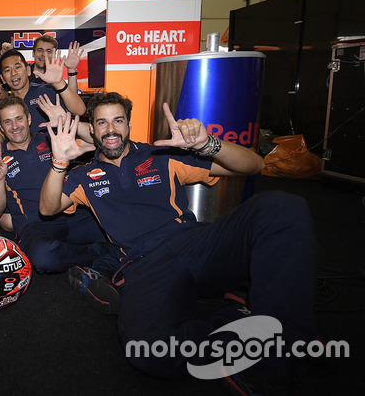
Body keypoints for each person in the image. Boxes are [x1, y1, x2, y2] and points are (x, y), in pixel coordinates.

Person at [39, 92, 317, 391]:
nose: (110, 129)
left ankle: (280, 356)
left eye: (118, 120)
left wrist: (207, 144)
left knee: (281, 208)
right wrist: (58, 163)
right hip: (144, 264)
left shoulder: (161, 155)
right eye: (102, 122)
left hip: (194, 244)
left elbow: (254, 165)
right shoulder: (82, 176)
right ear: (91, 129)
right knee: (147, 352)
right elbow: (47, 208)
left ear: (128, 125)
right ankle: (238, 323)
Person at [0, 96, 122, 276]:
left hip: (72, 214)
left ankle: (91, 257)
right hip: (36, 227)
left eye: (19, 118)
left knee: (121, 226)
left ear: (28, 119)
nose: (15, 126)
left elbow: (98, 142)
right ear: (1, 127)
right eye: (7, 121)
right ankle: (100, 254)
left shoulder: (51, 139)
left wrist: (66, 124)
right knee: (43, 257)